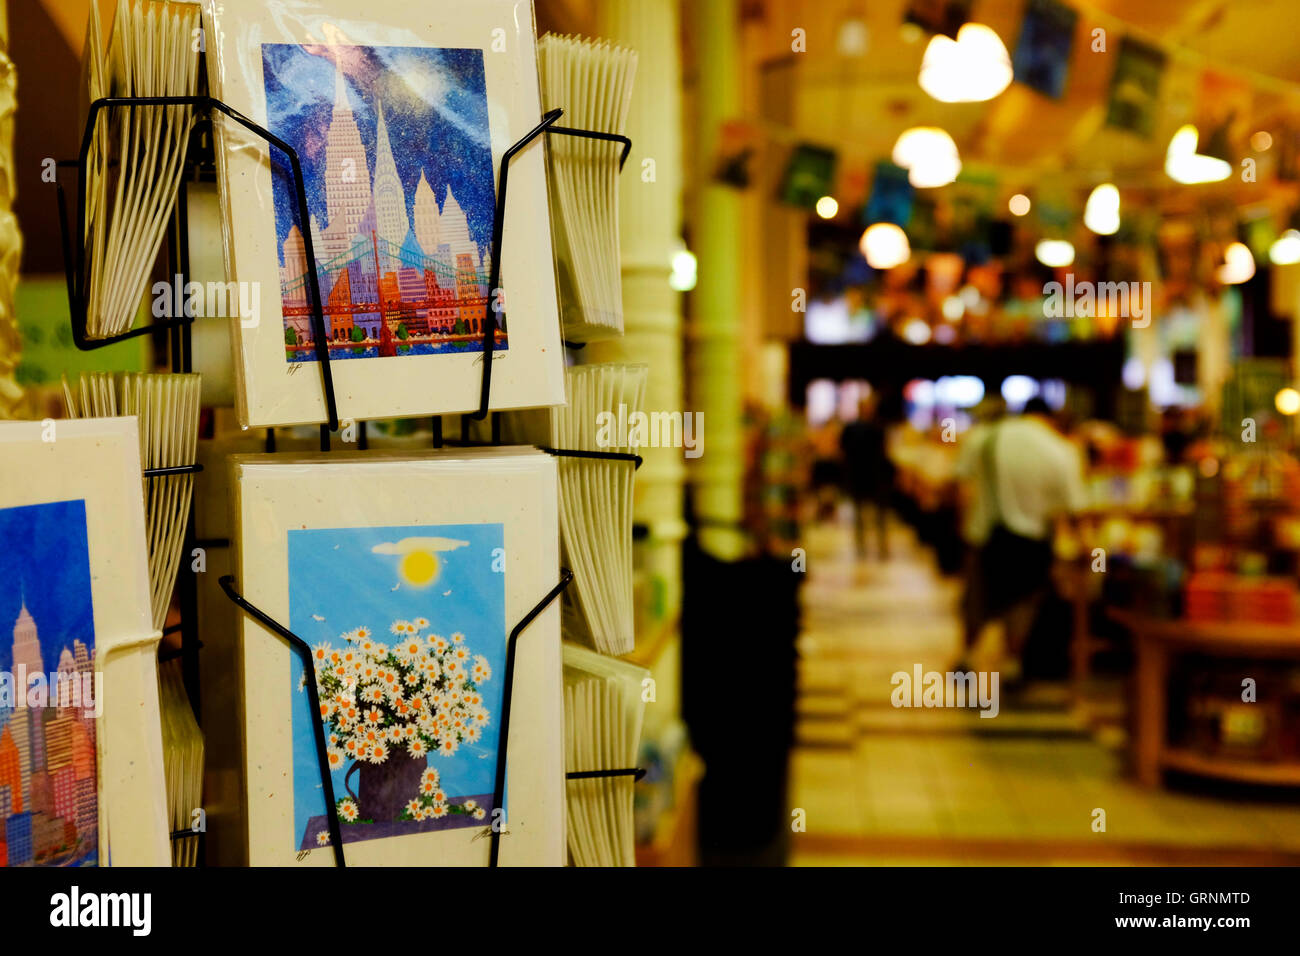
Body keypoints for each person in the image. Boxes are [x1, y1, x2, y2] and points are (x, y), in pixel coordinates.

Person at [977, 397, 1086, 678]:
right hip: (1034, 539)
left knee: (994, 606)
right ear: (1050, 418)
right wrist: (1087, 547)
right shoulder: (1060, 448)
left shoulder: (994, 436)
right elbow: (1074, 508)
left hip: (994, 532)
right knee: (1024, 603)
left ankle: (982, 663)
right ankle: (1011, 663)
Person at [953, 398, 1005, 656]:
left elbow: (963, 485)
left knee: (975, 596)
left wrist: (963, 524)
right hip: (1018, 531)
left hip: (982, 528)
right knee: (1014, 598)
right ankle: (1010, 660)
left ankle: (968, 653)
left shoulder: (975, 440)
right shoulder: (1021, 442)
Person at [840, 394, 893, 559]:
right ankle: (866, 547)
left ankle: (878, 547)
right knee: (864, 516)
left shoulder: (875, 427)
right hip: (867, 476)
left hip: (871, 476)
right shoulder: (871, 427)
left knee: (876, 516)